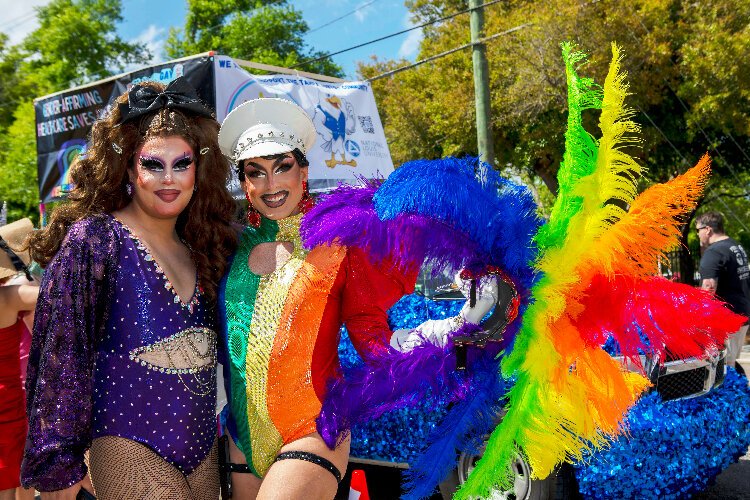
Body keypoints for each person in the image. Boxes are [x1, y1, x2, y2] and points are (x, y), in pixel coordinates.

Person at [22, 77, 237, 499]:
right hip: (124, 445)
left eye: (183, 163)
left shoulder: (205, 248)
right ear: (128, 166)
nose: (169, 178)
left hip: (202, 453)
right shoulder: (96, 240)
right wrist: (58, 468)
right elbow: (61, 358)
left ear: (200, 166)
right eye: (153, 164)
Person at [0, 218, 39, 500]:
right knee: (19, 477)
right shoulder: (9, 296)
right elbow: (60, 295)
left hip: (12, 406)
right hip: (10, 407)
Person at [696, 211, 750, 370]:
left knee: (720, 368)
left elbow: (708, 288)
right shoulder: (735, 246)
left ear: (708, 230)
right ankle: (740, 392)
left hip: (726, 320)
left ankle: (737, 394)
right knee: (730, 364)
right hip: (742, 314)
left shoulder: (713, 252)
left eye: (697, 230)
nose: (698, 235)